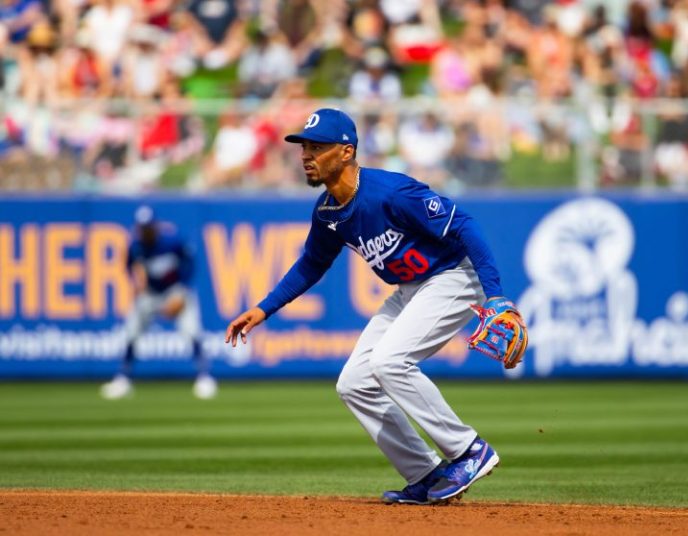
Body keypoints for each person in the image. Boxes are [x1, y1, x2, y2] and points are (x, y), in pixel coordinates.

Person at [225, 108, 522, 505]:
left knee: (389, 362)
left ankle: (468, 450)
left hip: (452, 276)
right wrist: (264, 308)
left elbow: (464, 224)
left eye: (317, 147)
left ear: (346, 152)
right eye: (304, 147)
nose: (306, 155)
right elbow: (312, 263)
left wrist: (496, 294)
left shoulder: (389, 192)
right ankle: (426, 473)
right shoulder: (329, 211)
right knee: (353, 383)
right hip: (409, 288)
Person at [101, 205, 217, 400]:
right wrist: (136, 283)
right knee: (131, 332)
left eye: (148, 227)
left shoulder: (172, 241)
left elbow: (189, 263)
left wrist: (183, 292)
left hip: (174, 290)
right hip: (150, 293)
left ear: (155, 226)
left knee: (192, 330)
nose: (145, 231)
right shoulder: (135, 245)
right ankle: (123, 379)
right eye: (142, 227)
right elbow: (128, 266)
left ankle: (204, 377)